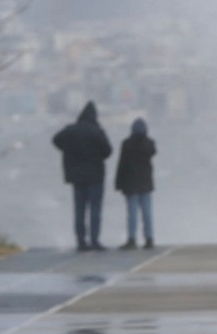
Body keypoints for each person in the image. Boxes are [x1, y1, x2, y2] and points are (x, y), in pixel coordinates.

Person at [52, 100, 112, 251]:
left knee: (79, 210)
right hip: (95, 176)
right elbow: (108, 151)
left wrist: (68, 150)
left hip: (76, 177)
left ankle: (80, 241)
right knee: (95, 209)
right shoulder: (97, 131)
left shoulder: (71, 130)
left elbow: (56, 140)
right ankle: (94, 240)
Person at [113, 117, 157, 250]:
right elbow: (153, 152)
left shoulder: (126, 144)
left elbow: (121, 164)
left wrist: (118, 183)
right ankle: (149, 239)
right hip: (145, 183)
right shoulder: (149, 144)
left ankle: (132, 239)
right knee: (147, 213)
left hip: (130, 184)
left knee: (132, 214)